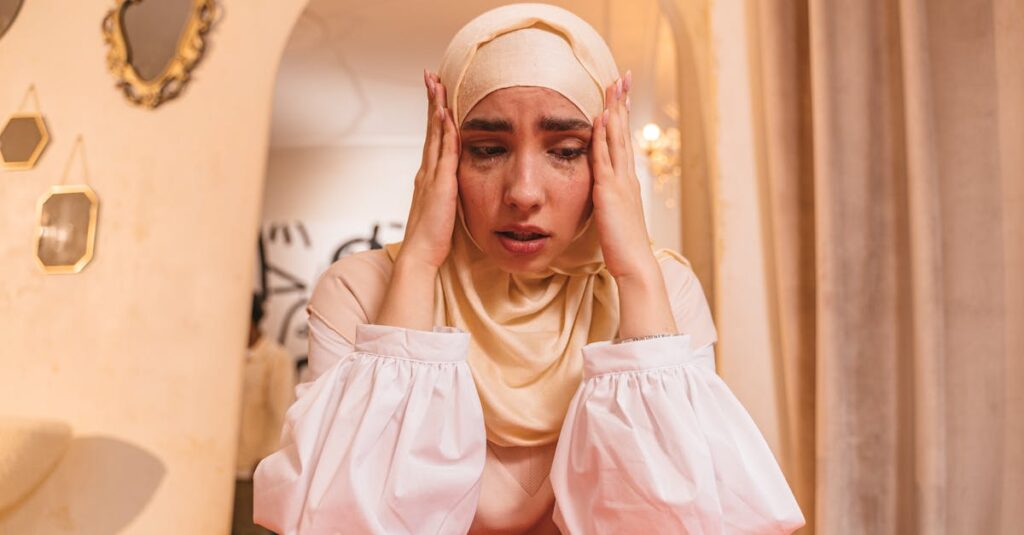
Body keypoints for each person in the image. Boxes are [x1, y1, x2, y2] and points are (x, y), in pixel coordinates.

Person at [253, 4, 804, 534]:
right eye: (487, 149)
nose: (523, 192)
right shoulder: (358, 290)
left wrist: (636, 270)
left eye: (566, 150)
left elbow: (681, 522)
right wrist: (418, 261)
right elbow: (343, 521)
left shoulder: (663, 289)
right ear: (444, 155)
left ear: (608, 160)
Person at [233, 294, 295, 535]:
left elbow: (282, 412)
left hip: (253, 470)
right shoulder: (228, 356)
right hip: (226, 468)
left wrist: (266, 458)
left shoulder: (276, 358)